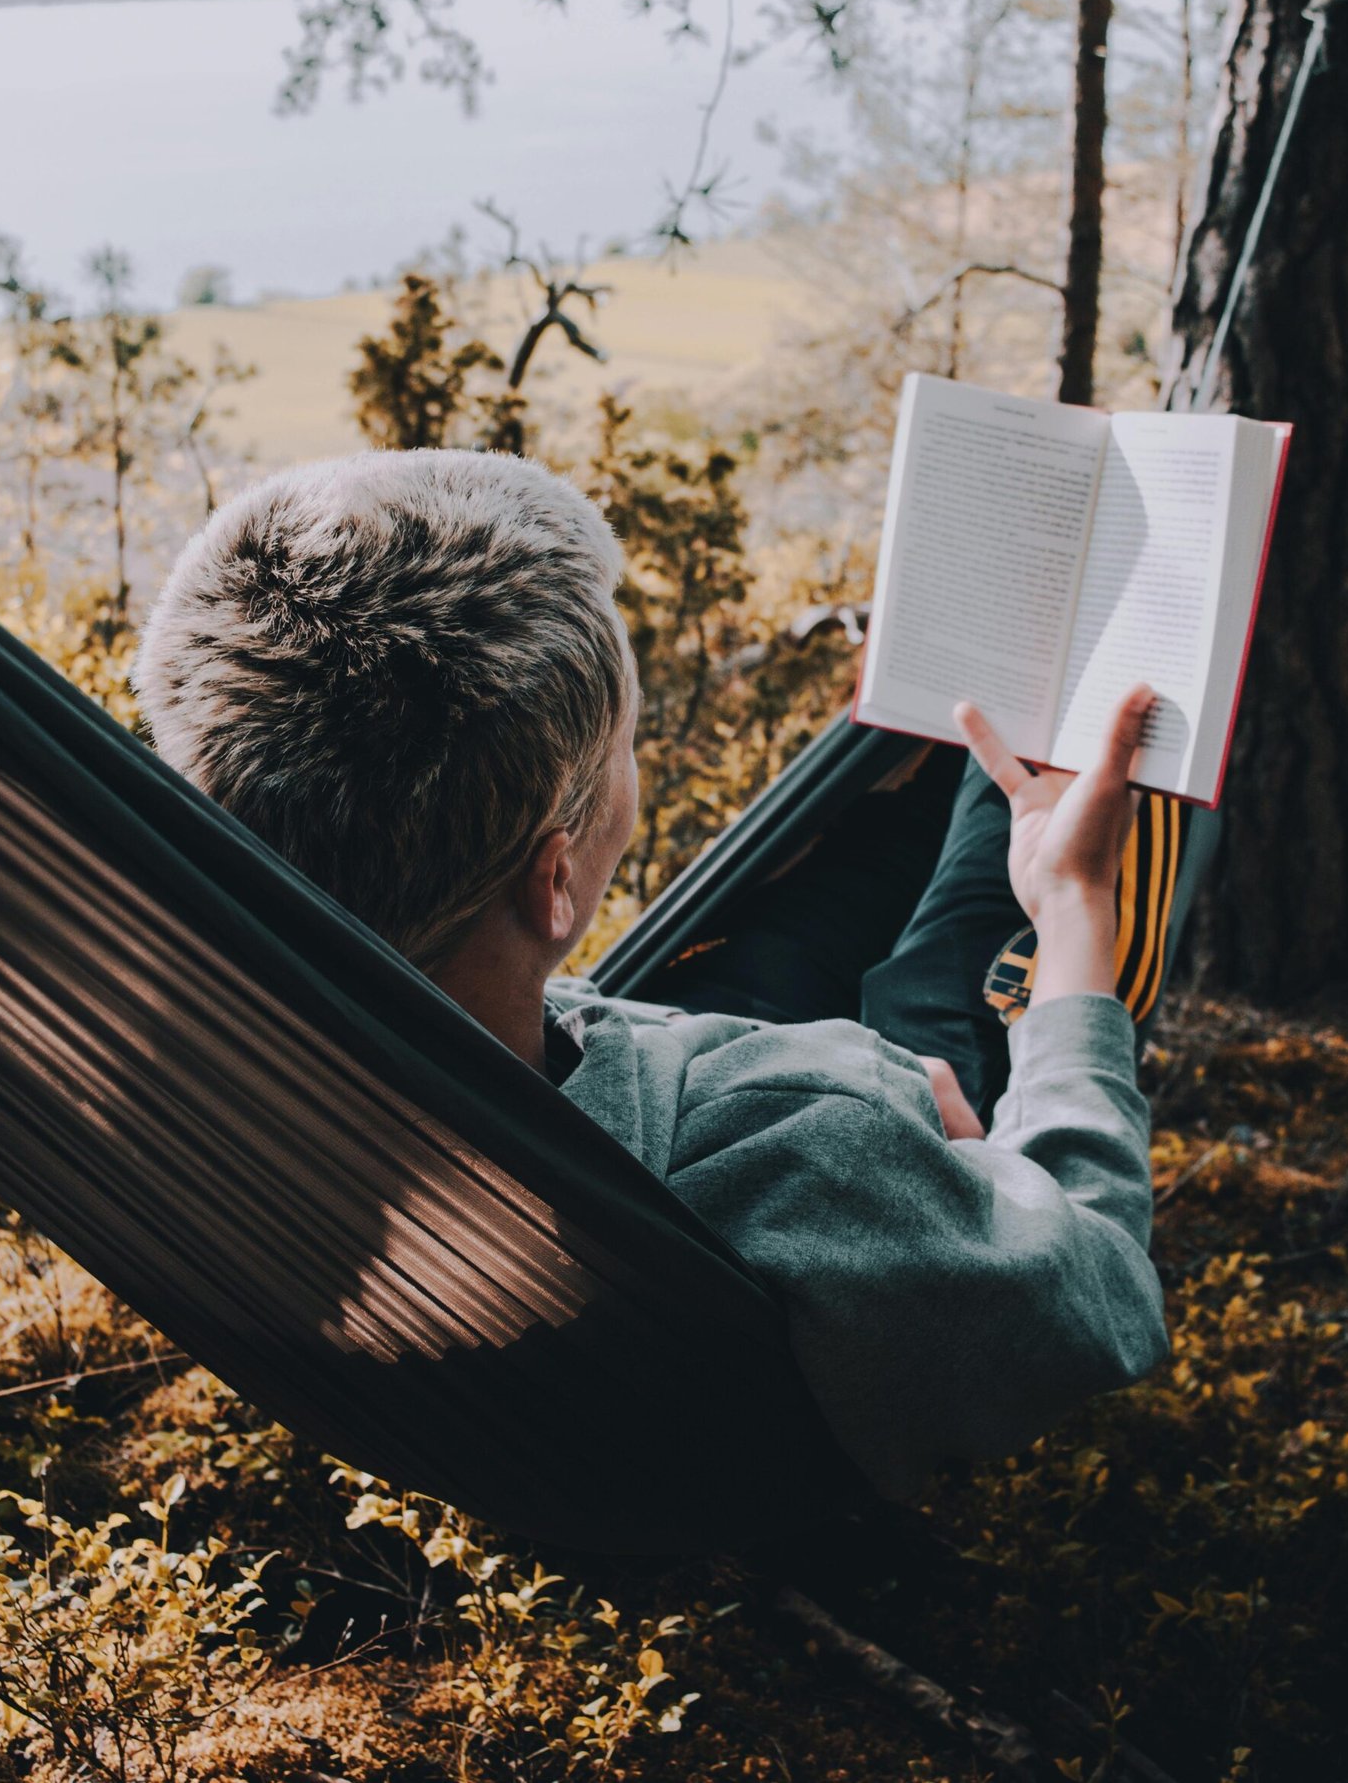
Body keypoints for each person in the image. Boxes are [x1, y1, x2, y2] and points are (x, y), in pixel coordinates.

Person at [131, 447, 1170, 1504]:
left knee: (822, 898)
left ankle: (934, 775)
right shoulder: (825, 1145)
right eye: (626, 745)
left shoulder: (195, 1091)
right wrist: (1075, 906)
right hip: (835, 1163)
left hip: (660, 1091)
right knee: (973, 895)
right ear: (555, 877)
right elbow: (1100, 1300)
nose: (632, 759)